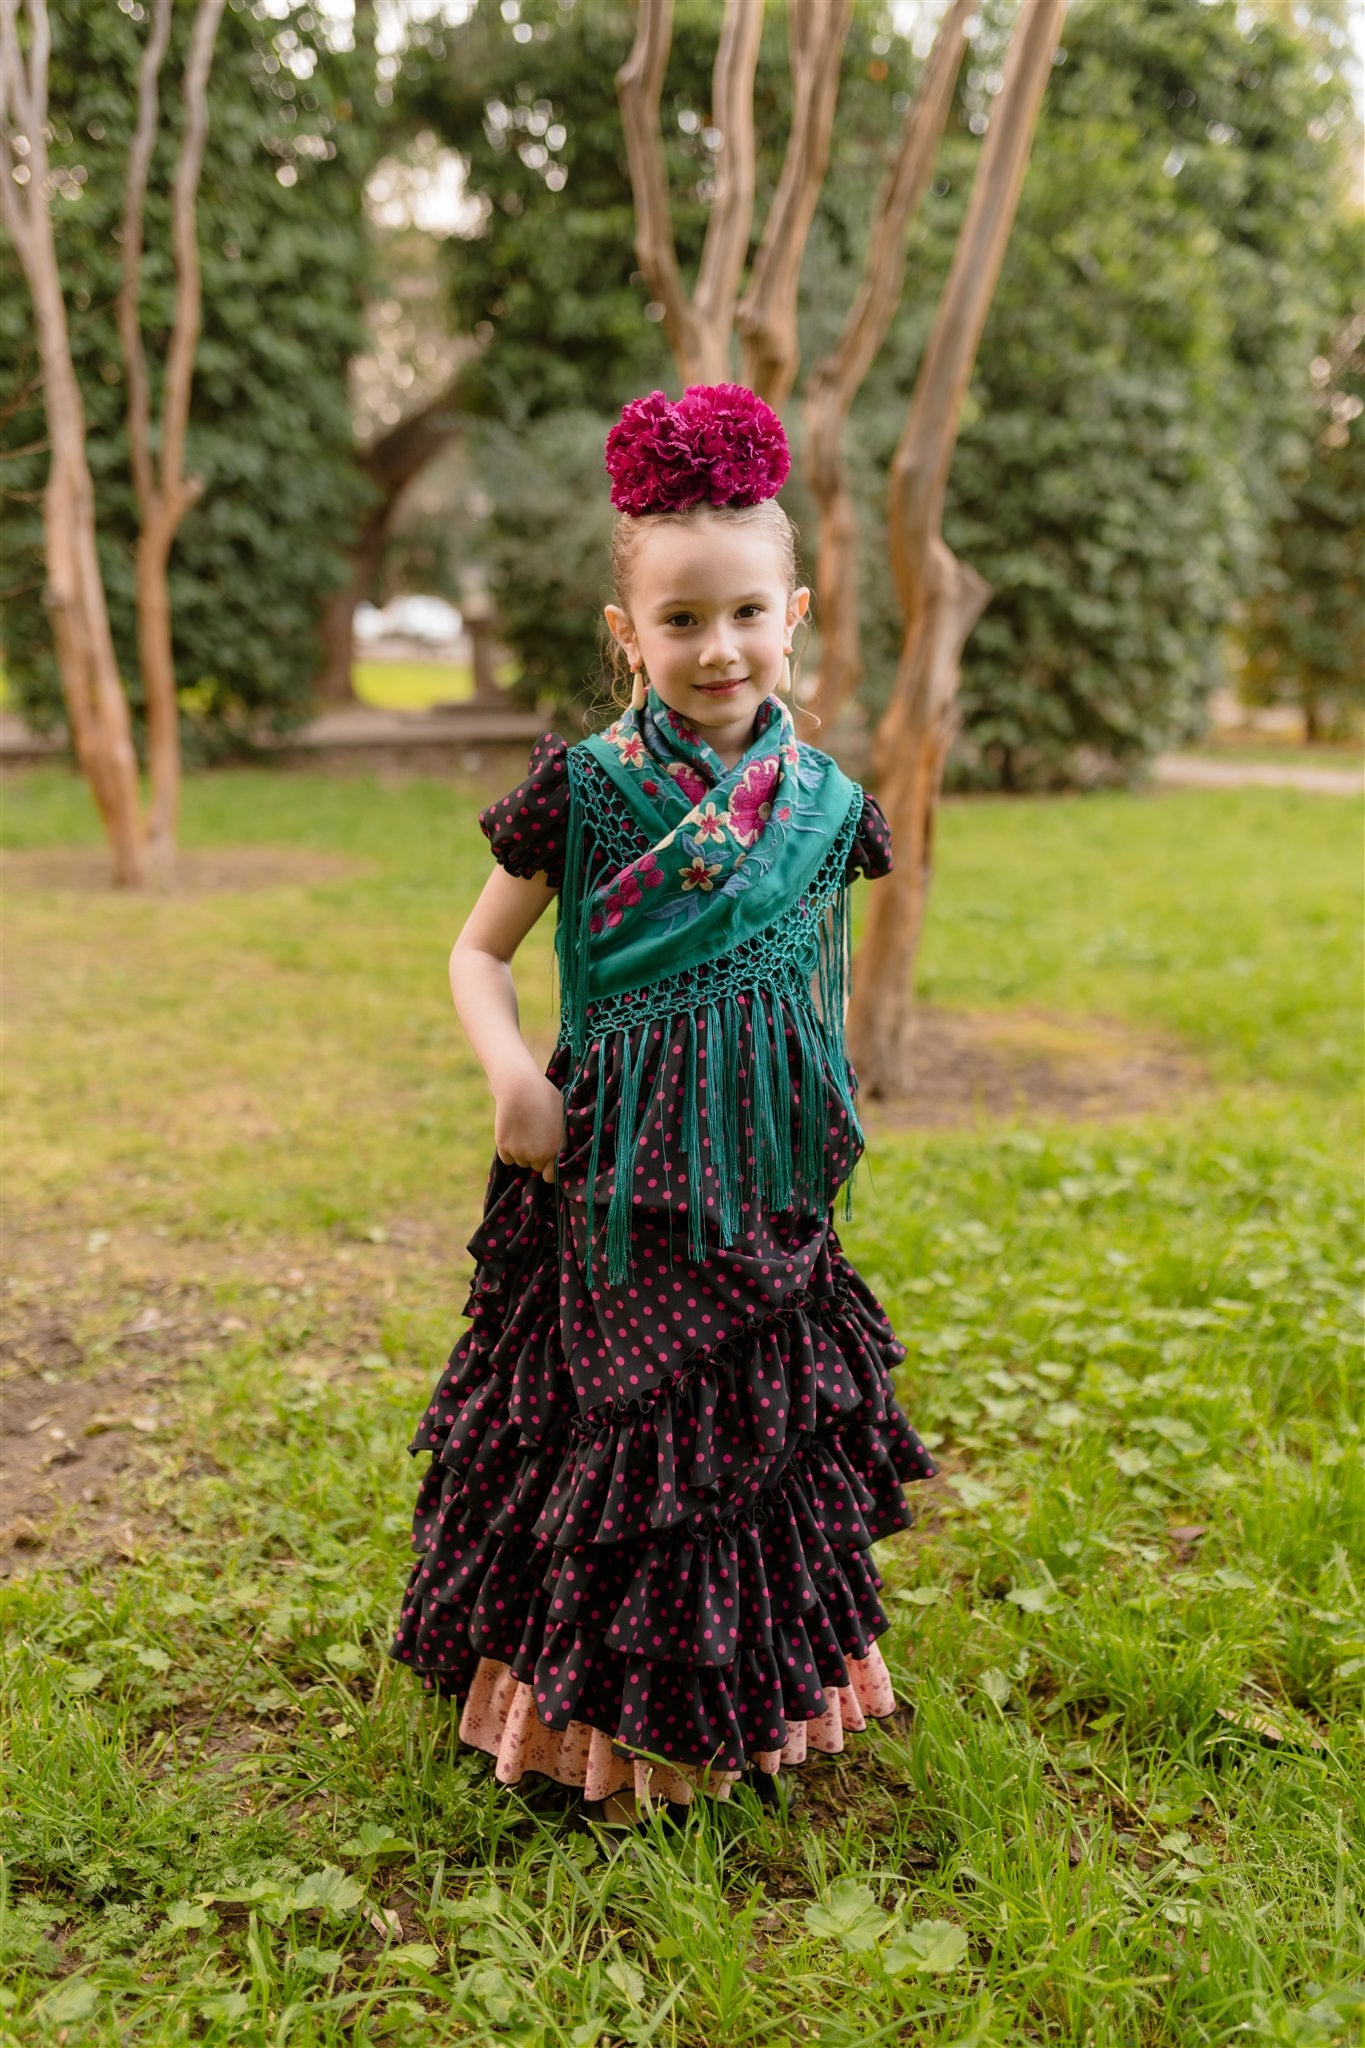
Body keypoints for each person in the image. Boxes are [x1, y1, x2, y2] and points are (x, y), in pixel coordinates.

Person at [389, 383, 937, 1826]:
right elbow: (474, 952)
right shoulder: (581, 792)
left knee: (742, 1439)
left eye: (746, 614)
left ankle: (751, 1707)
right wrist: (512, 1073)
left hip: (759, 1178)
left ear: (795, 614)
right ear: (625, 636)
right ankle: (582, 1732)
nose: (717, 648)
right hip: (606, 1180)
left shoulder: (826, 805)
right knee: (602, 1438)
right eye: (681, 621)